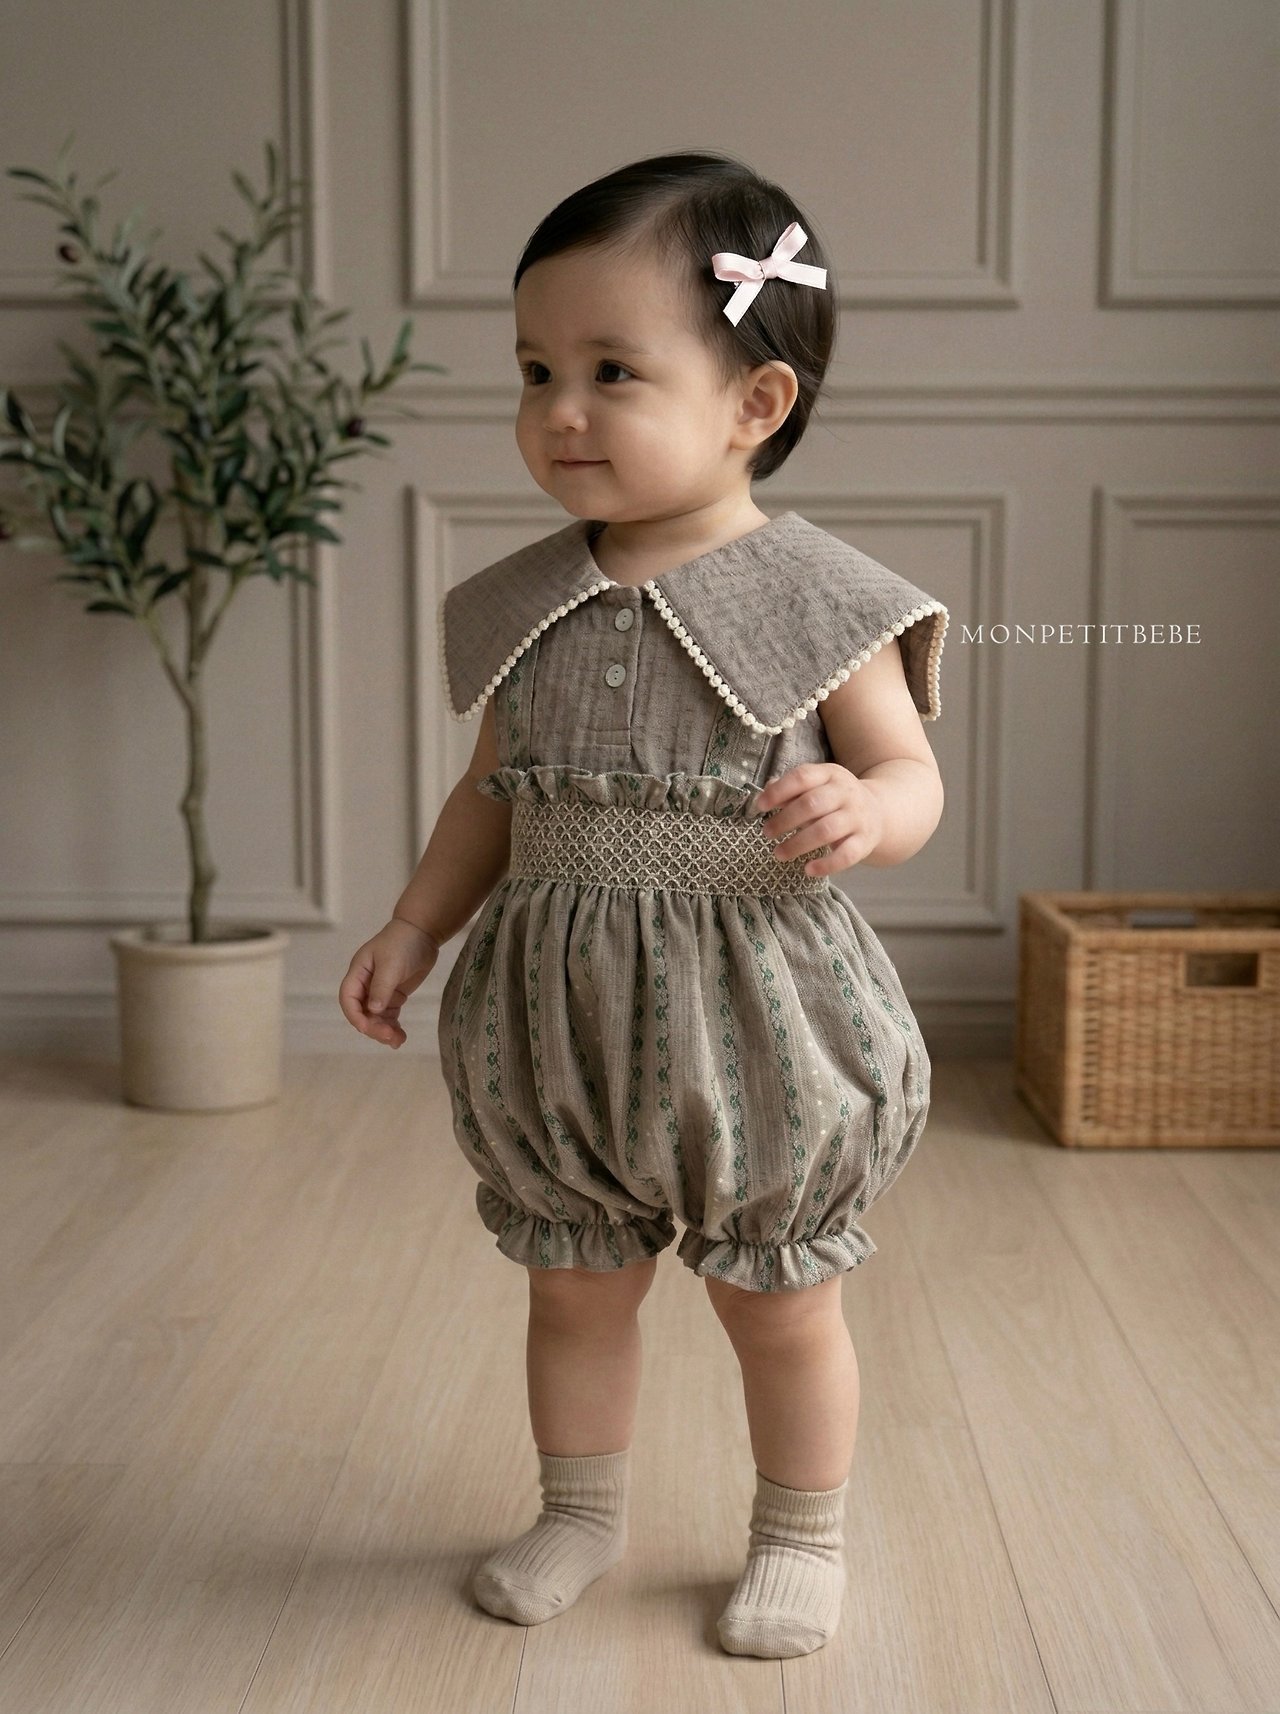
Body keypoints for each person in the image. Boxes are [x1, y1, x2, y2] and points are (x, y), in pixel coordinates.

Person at [338, 150, 949, 1661]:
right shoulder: (528, 603)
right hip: (562, 1016)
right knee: (572, 1283)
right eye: (536, 370)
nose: (561, 410)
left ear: (756, 403)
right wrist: (416, 925)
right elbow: (492, 793)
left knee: (776, 1302)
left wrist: (868, 810)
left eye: (613, 371)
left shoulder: (822, 602)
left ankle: (800, 1534)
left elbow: (910, 774)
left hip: (759, 1009)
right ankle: (579, 1509)